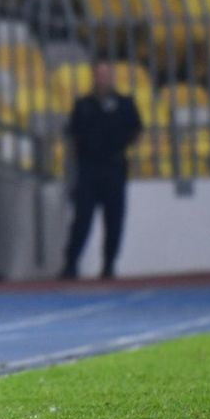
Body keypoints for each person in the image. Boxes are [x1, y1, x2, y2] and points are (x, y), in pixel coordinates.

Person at [60, 61, 142, 280]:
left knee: (114, 219)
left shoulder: (125, 103)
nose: (103, 79)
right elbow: (74, 134)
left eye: (107, 74)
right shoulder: (83, 104)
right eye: (99, 74)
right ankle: (71, 264)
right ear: (94, 76)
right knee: (82, 219)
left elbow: (136, 130)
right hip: (89, 169)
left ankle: (109, 265)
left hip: (114, 168)